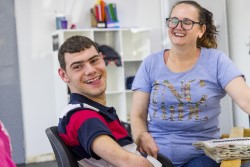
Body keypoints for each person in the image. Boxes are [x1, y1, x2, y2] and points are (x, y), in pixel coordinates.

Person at [130, 1, 250, 167]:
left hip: (200, 157)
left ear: (201, 30)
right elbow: (137, 115)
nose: (178, 26)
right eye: (174, 20)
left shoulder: (216, 61)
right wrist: (141, 134)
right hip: (155, 156)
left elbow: (247, 101)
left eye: (187, 22)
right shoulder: (150, 63)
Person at [57, 35, 163, 167]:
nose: (90, 70)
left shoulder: (89, 111)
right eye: (78, 66)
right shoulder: (82, 117)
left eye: (94, 60)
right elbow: (131, 163)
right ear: (63, 75)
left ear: (102, 59)